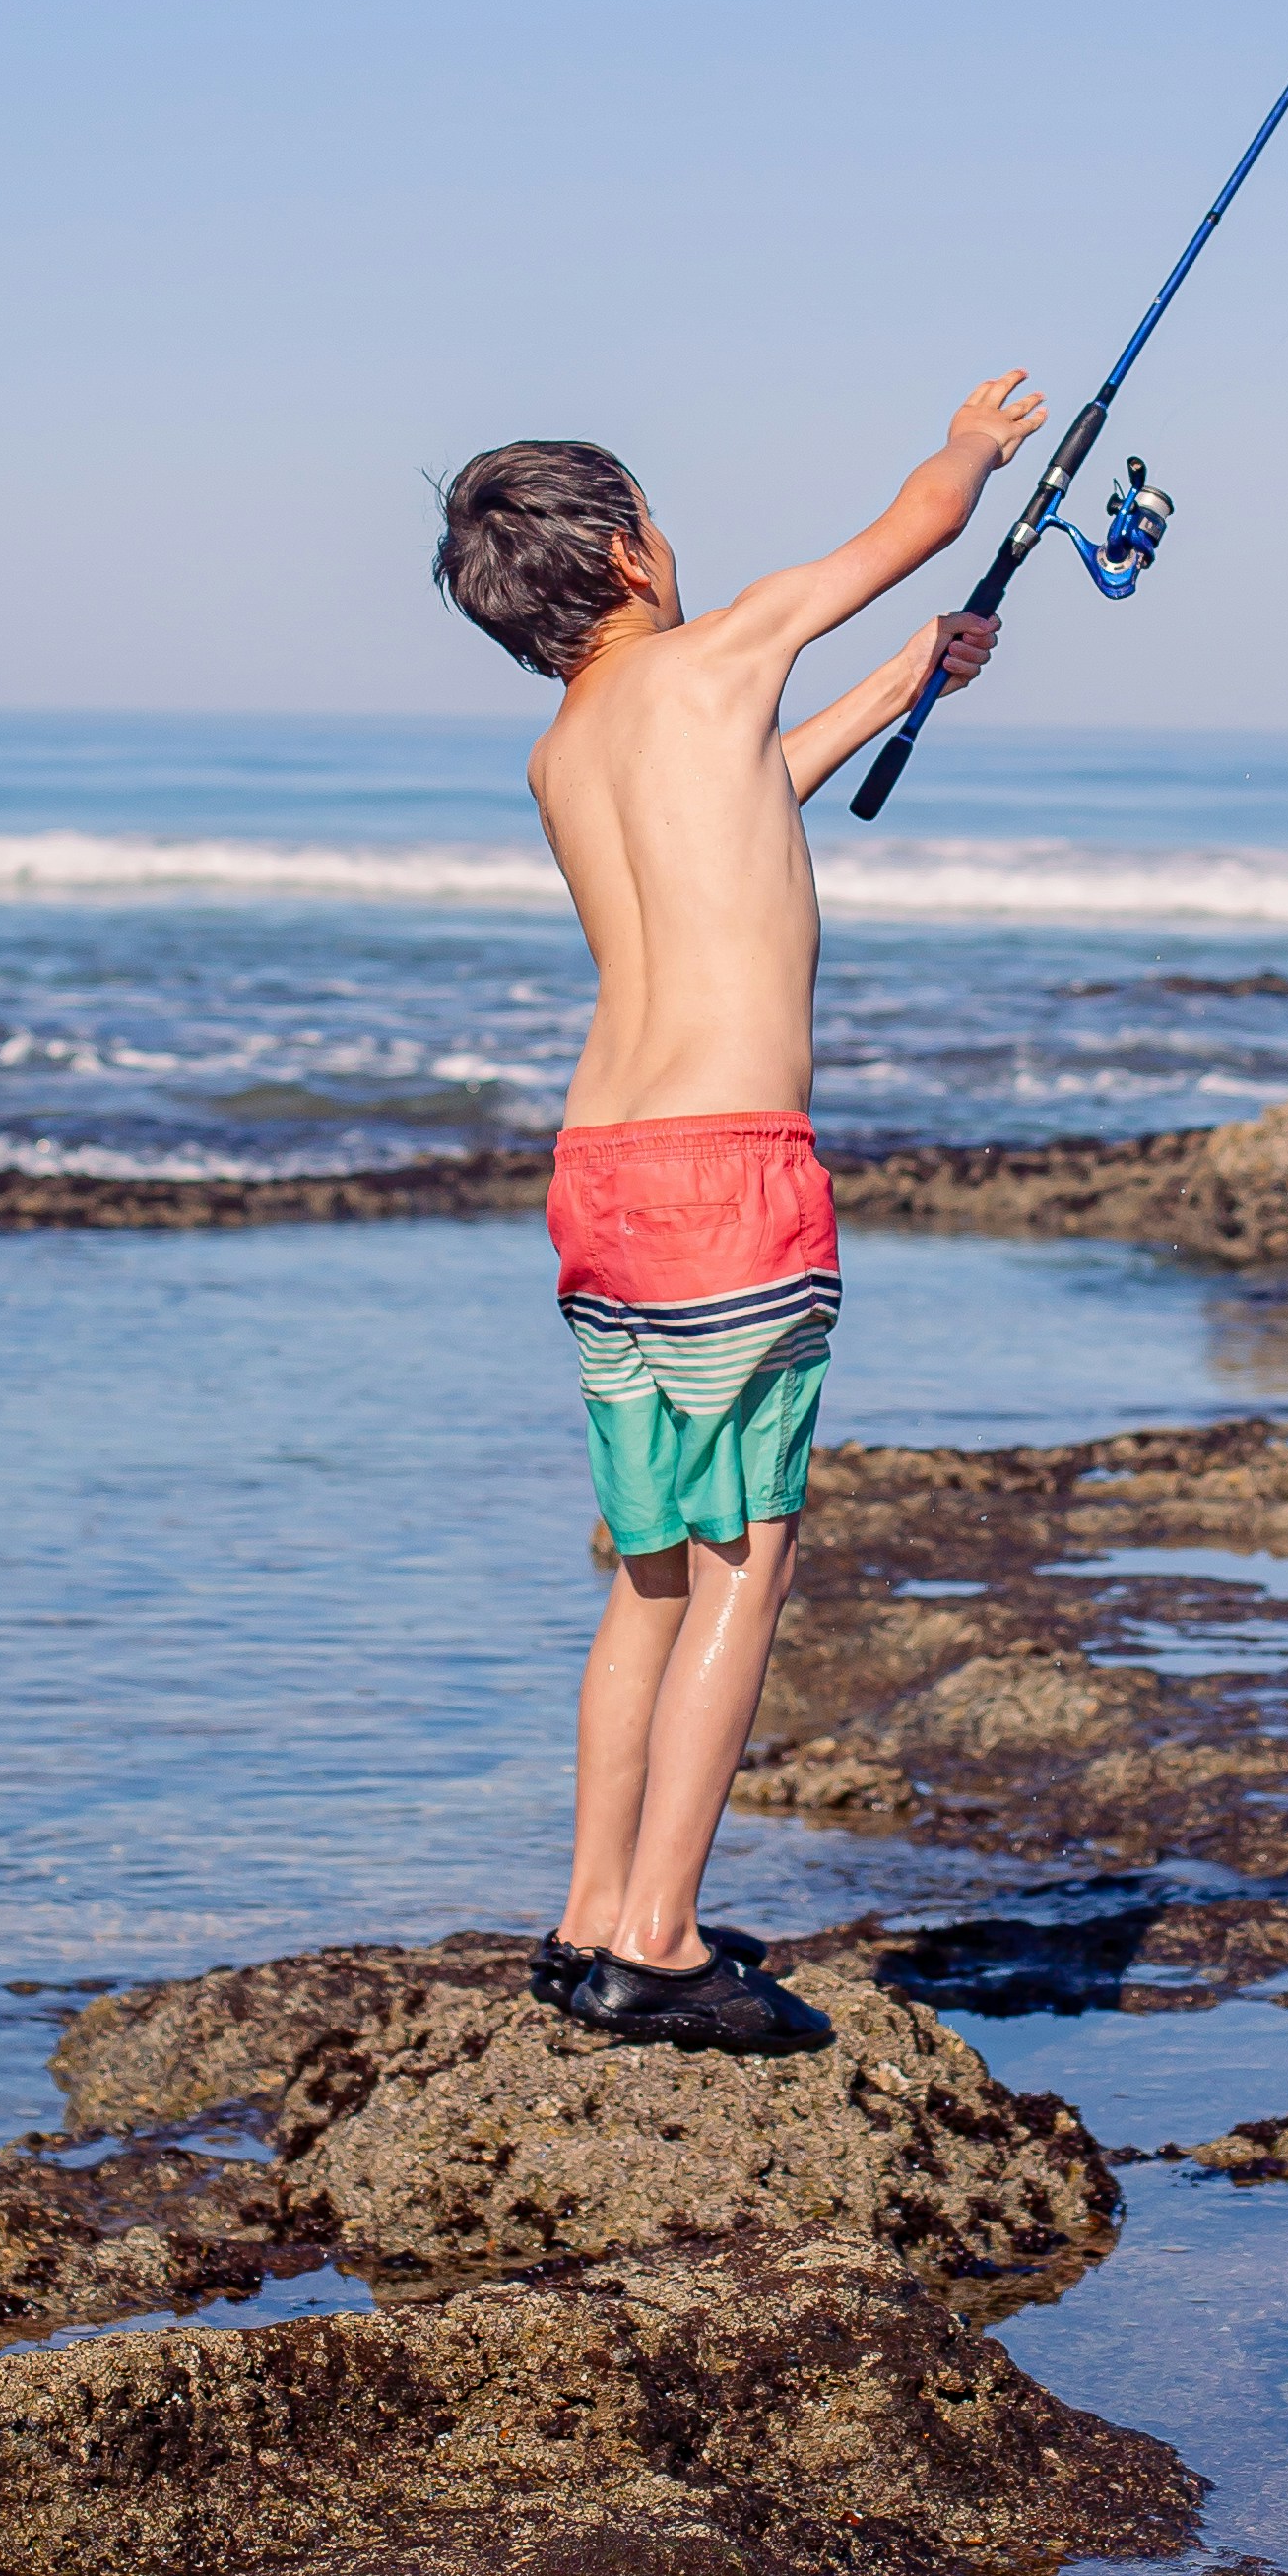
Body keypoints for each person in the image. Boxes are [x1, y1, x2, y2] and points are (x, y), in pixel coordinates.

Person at [430, 375, 1047, 2049]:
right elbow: (919, 528)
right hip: (726, 1179)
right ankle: (661, 1937)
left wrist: (913, 671)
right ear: (634, 553)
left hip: (604, 1179)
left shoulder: (567, 756)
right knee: (742, 1567)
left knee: (646, 1568)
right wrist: (970, 457)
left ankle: (580, 1920)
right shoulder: (708, 659)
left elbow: (745, 792)